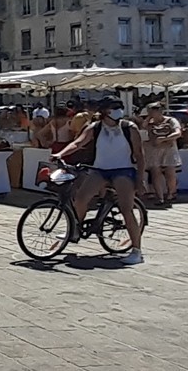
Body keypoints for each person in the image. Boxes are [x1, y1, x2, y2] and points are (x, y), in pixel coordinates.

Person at [52, 99, 146, 265]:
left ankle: (136, 251)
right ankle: (75, 230)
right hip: (100, 170)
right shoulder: (95, 127)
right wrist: (61, 154)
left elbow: (139, 154)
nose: (118, 111)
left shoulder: (129, 127)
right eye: (114, 108)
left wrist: (140, 178)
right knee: (80, 199)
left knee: (126, 209)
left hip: (123, 170)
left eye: (120, 107)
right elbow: (78, 142)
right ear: (105, 111)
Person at [141, 102, 182, 205]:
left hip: (169, 149)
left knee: (170, 172)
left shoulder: (171, 121)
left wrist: (164, 139)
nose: (151, 113)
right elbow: (143, 129)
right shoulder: (149, 123)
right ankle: (160, 197)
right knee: (155, 172)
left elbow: (178, 133)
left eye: (153, 111)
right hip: (154, 150)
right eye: (149, 111)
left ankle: (171, 193)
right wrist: (148, 119)